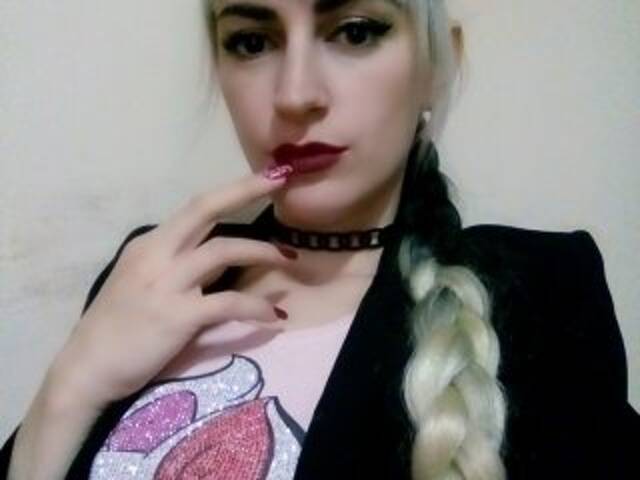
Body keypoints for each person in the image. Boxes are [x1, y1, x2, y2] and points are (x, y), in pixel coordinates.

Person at [2, 0, 639, 478]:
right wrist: (70, 387)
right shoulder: (160, 268)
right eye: (251, 41)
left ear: (436, 67)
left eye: (355, 31)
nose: (295, 95)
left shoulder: (540, 296)